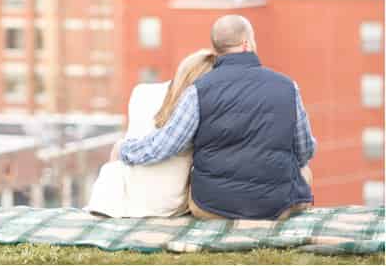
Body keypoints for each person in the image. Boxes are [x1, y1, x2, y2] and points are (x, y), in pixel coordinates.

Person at [117, 14, 316, 221]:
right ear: (247, 43)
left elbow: (165, 145)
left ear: (216, 48)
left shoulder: (197, 91)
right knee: (305, 171)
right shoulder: (288, 87)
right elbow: (305, 151)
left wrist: (125, 149)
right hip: (277, 207)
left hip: (212, 207)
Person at [87, 49, 215, 217]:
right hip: (168, 203)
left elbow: (152, 145)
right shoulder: (200, 106)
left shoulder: (142, 92)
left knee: (119, 148)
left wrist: (122, 149)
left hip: (123, 195)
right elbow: (162, 147)